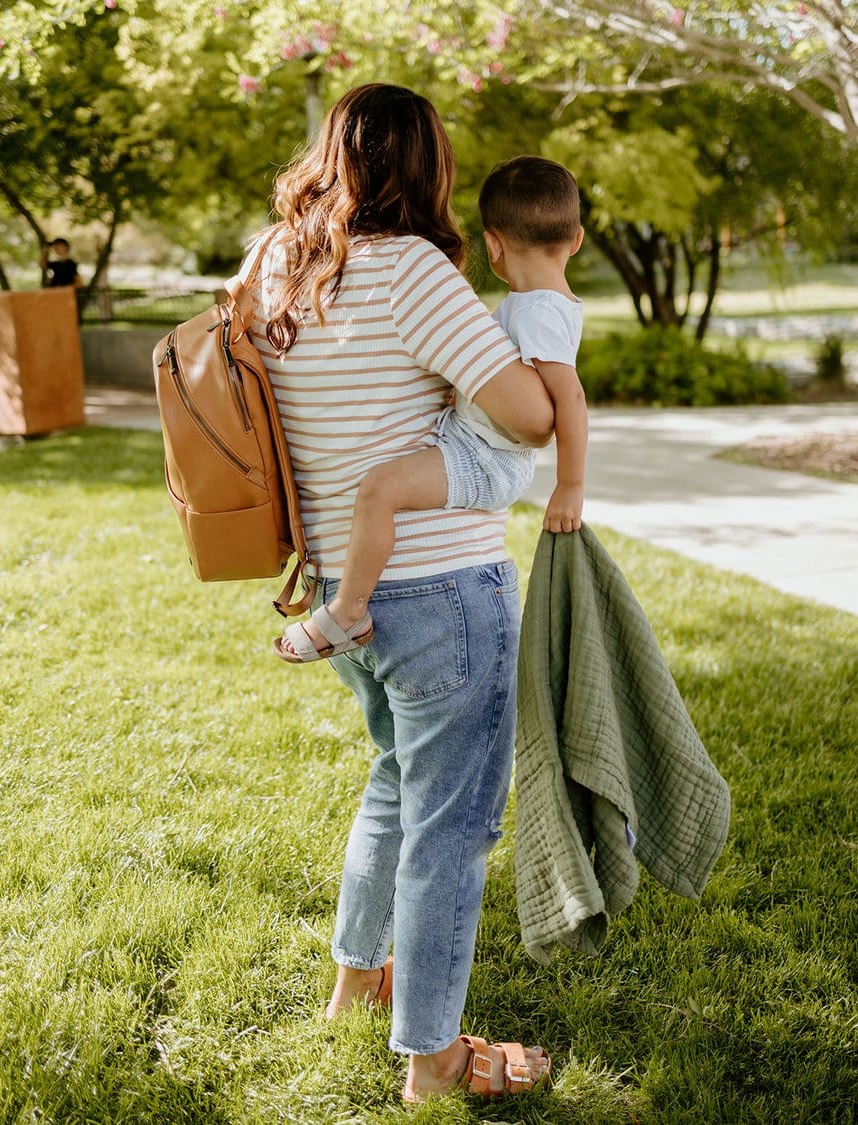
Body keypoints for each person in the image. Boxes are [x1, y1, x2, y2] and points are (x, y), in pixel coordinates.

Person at [244, 83, 554, 1102]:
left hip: (349, 587)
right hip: (442, 587)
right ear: (428, 166)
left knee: (395, 784)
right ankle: (432, 1061)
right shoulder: (412, 269)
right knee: (452, 828)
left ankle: (354, 990)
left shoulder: (270, 267)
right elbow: (526, 415)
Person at [275, 154, 587, 664]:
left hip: (485, 459)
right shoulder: (544, 305)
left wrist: (570, 486)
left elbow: (566, 400)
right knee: (381, 488)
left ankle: (347, 611)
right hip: (477, 445)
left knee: (381, 488)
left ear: (493, 244)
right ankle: (347, 608)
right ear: (576, 241)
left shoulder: (536, 311)